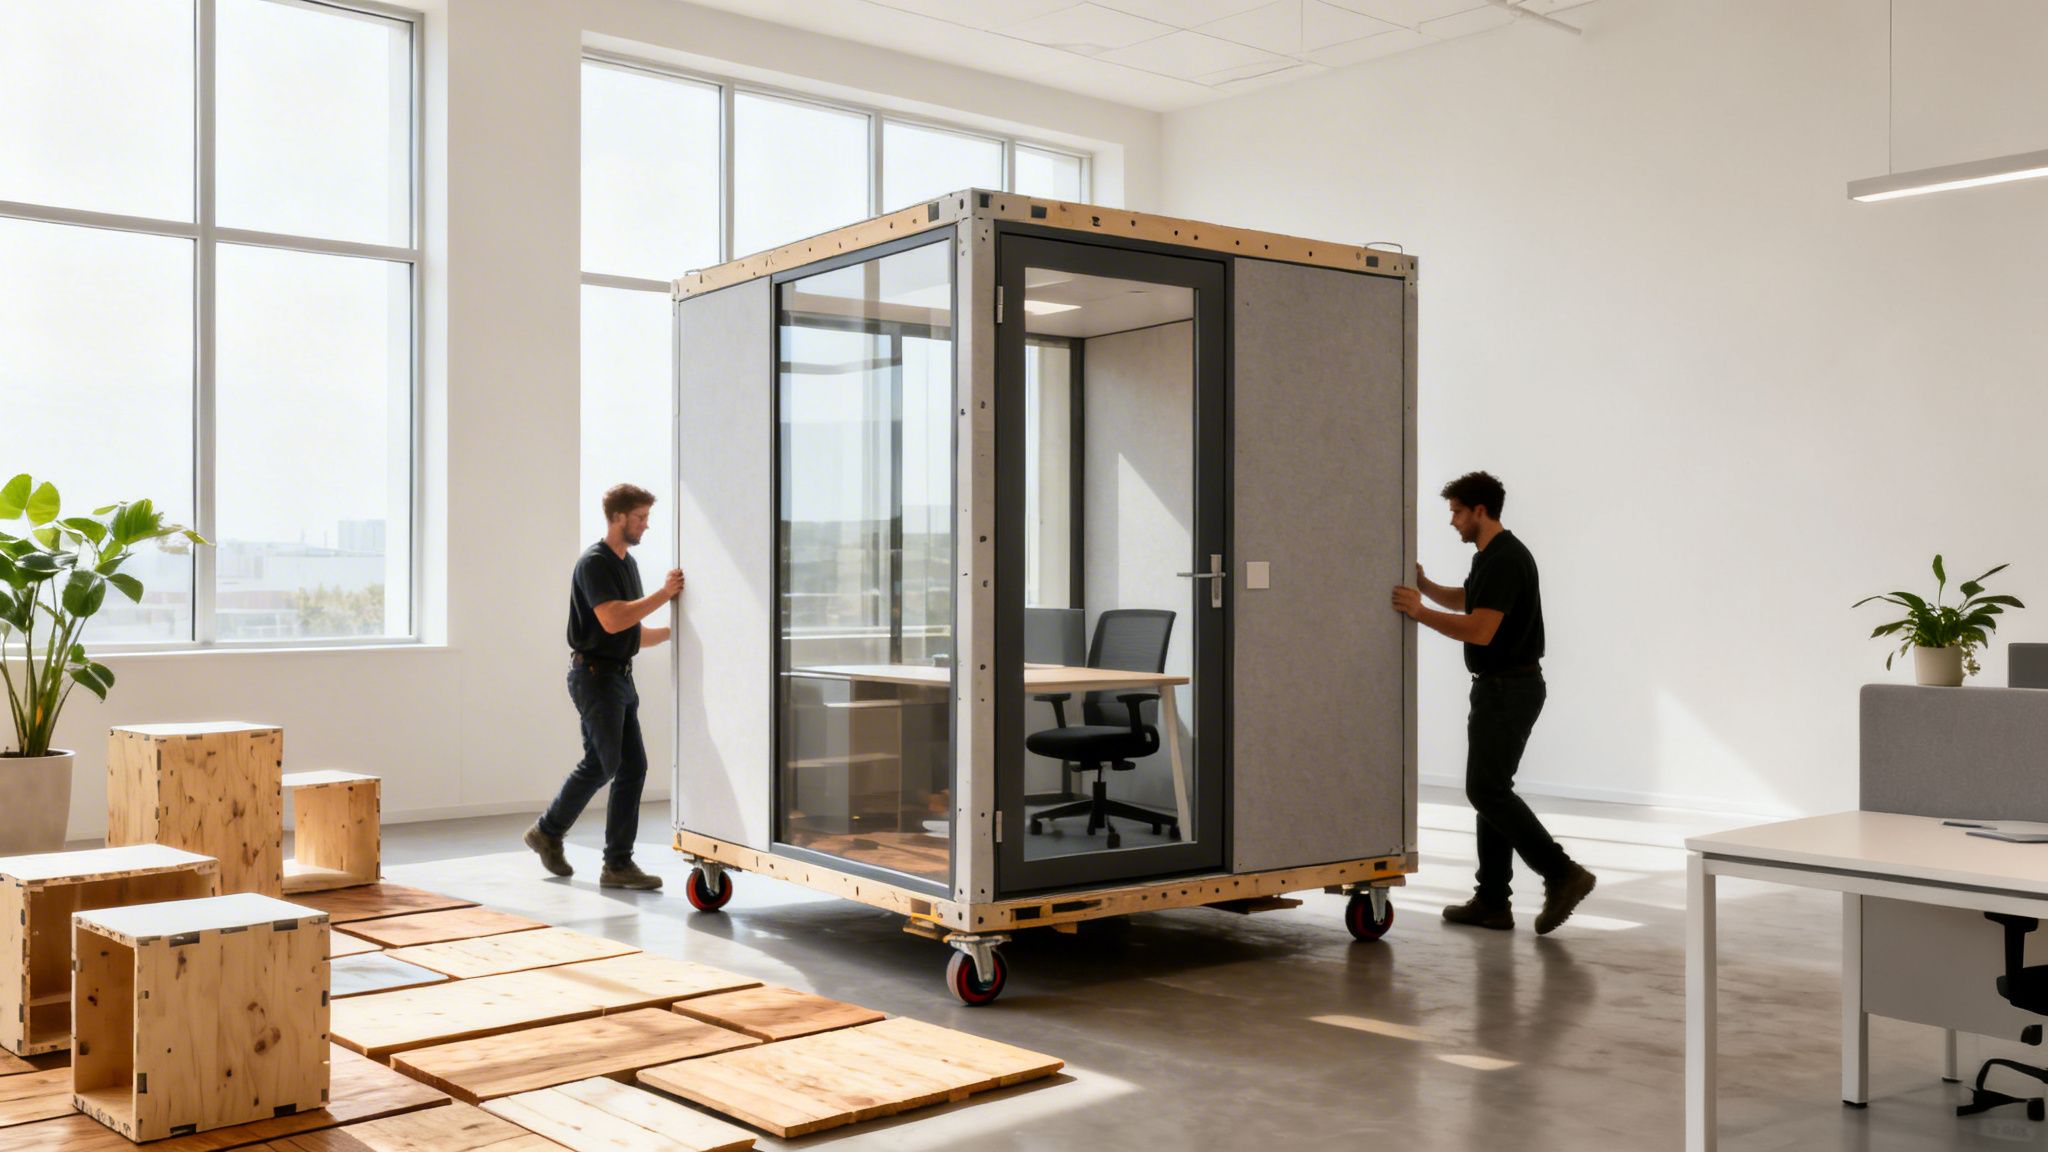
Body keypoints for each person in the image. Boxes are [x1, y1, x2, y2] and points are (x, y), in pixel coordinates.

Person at [1391, 471, 1596, 934]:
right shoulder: (1492, 557)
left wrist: (1419, 612)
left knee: (1487, 791)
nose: (1453, 522)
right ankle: (1492, 901)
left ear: (1480, 511)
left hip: (1509, 688)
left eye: (1457, 513)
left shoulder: (1504, 559)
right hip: (1501, 686)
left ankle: (1562, 873)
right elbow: (1470, 599)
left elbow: (1481, 627)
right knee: (1491, 789)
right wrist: (1426, 587)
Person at [524, 484, 685, 890]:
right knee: (605, 762)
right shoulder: (594, 563)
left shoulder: (627, 564)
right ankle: (548, 831)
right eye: (640, 517)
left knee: (631, 766)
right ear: (617, 518)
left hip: (618, 676)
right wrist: (664, 594)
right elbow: (613, 620)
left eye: (647, 518)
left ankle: (616, 865)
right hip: (595, 677)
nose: (646, 525)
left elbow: (631, 632)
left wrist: (678, 632)